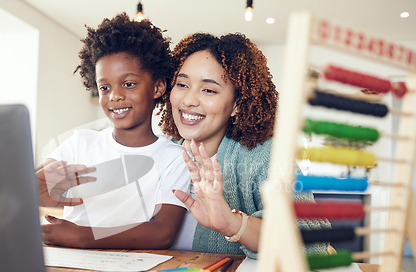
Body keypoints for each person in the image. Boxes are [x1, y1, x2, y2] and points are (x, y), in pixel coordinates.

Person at [159, 32, 330, 258]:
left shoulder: (265, 155)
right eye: (182, 84)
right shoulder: (163, 152)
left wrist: (231, 223)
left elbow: (312, 241)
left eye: (208, 89)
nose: (189, 100)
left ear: (237, 105)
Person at [37, 13, 191, 249]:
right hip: (68, 261)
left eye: (128, 84)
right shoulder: (80, 144)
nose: (115, 96)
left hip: (131, 268)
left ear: (158, 87)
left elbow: (162, 234)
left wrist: (80, 236)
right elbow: (37, 189)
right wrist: (31, 195)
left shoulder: (174, 158)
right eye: (104, 87)